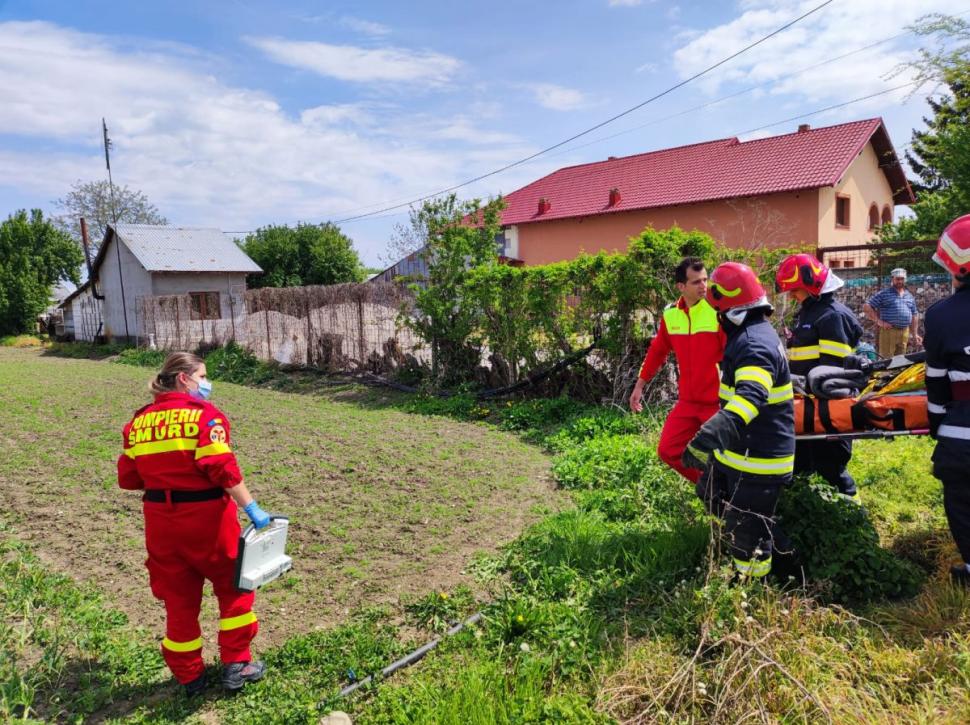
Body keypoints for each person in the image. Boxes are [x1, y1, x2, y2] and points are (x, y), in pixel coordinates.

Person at [117, 352, 274, 695]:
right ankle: (237, 664)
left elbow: (127, 479)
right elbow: (222, 469)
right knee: (234, 587)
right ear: (184, 379)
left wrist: (166, 475)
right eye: (202, 376)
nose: (206, 383)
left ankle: (190, 676)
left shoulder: (138, 423)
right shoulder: (204, 417)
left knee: (178, 599)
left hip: (160, 522)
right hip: (206, 519)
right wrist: (252, 508)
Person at [682, 262, 796, 579]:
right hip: (737, 454)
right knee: (710, 494)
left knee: (747, 533)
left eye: (718, 313)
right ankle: (765, 537)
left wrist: (711, 432)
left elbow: (751, 396)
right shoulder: (750, 334)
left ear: (730, 312)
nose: (717, 320)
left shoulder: (752, 343)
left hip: (758, 460)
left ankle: (753, 583)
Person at [629, 257, 726, 483]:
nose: (704, 286)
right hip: (688, 402)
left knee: (728, 458)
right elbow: (657, 351)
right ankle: (709, 487)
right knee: (667, 450)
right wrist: (639, 385)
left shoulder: (717, 312)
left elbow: (733, 355)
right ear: (681, 287)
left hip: (718, 402)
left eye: (705, 280)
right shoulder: (671, 314)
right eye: (696, 282)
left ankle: (728, 501)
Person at [776, 253, 863, 500]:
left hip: (829, 408)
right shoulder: (809, 313)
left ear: (812, 286)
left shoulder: (832, 316)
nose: (792, 295)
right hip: (808, 405)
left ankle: (850, 512)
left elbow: (835, 374)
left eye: (795, 290)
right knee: (801, 464)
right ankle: (810, 514)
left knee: (831, 467)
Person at [924, 215, 970, 586]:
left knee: (962, 498)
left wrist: (938, 424)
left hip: (964, 435)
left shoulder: (942, 316)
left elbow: (936, 382)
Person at [863, 267, 922, 357]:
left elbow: (914, 315)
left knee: (900, 361)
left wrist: (915, 334)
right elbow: (867, 306)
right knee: (886, 360)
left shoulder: (909, 295)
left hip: (904, 332)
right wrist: (879, 322)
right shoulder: (884, 294)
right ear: (892, 279)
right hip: (889, 331)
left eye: (902, 279)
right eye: (897, 279)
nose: (899, 281)